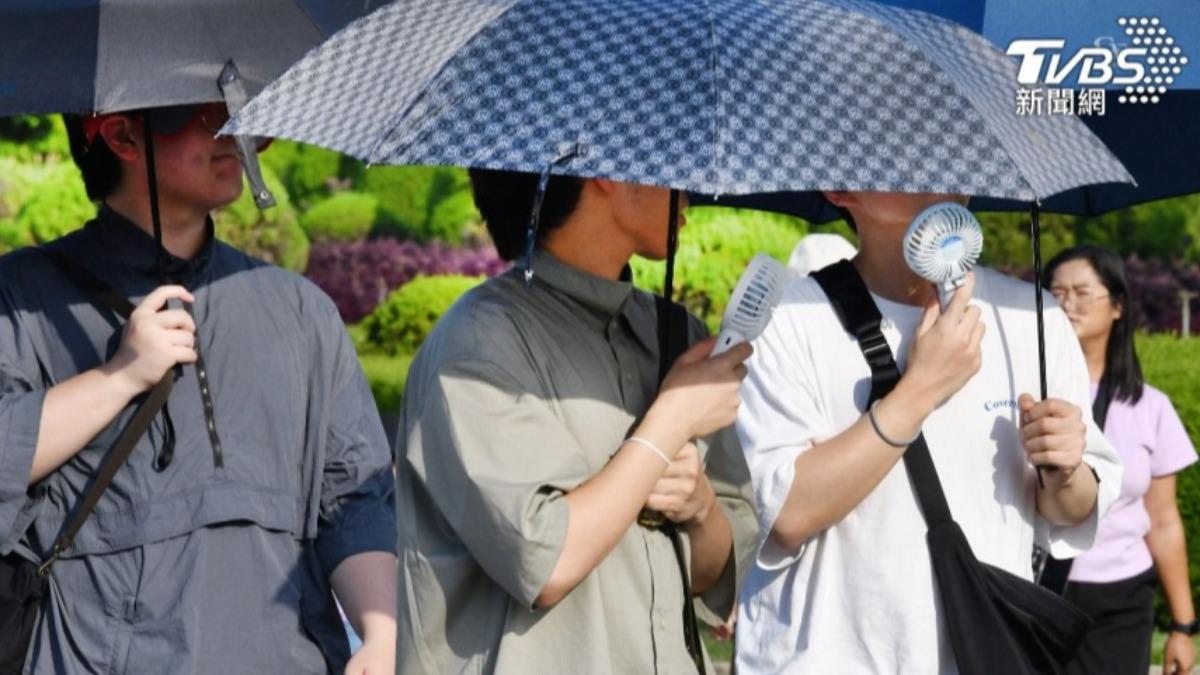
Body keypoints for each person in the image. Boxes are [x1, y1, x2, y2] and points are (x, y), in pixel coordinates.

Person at [0, 104, 397, 674]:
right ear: (121, 134)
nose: (236, 132)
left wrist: (381, 632)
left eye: (241, 110)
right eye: (209, 116)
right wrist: (120, 376)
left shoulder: (300, 309)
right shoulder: (21, 299)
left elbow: (353, 495)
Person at [733, 191, 1122, 673]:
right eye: (904, 153)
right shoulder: (792, 317)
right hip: (823, 658)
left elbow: (1073, 510)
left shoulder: (1033, 315)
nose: (939, 172)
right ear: (840, 188)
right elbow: (787, 513)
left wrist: (1064, 472)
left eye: (957, 154)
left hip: (983, 656)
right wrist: (919, 390)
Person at [394, 169, 758, 674]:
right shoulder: (478, 346)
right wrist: (671, 421)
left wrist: (699, 508)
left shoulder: (677, 338)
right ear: (604, 172)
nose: (687, 184)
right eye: (664, 155)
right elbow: (545, 559)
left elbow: (721, 577)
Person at [1046, 245, 1197, 675]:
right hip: (1038, 594)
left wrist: (1183, 625)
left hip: (1121, 602)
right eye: (1056, 293)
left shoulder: (1150, 407)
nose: (1067, 305)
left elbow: (1163, 521)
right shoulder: (1024, 398)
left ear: (1117, 306)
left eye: (1082, 293)